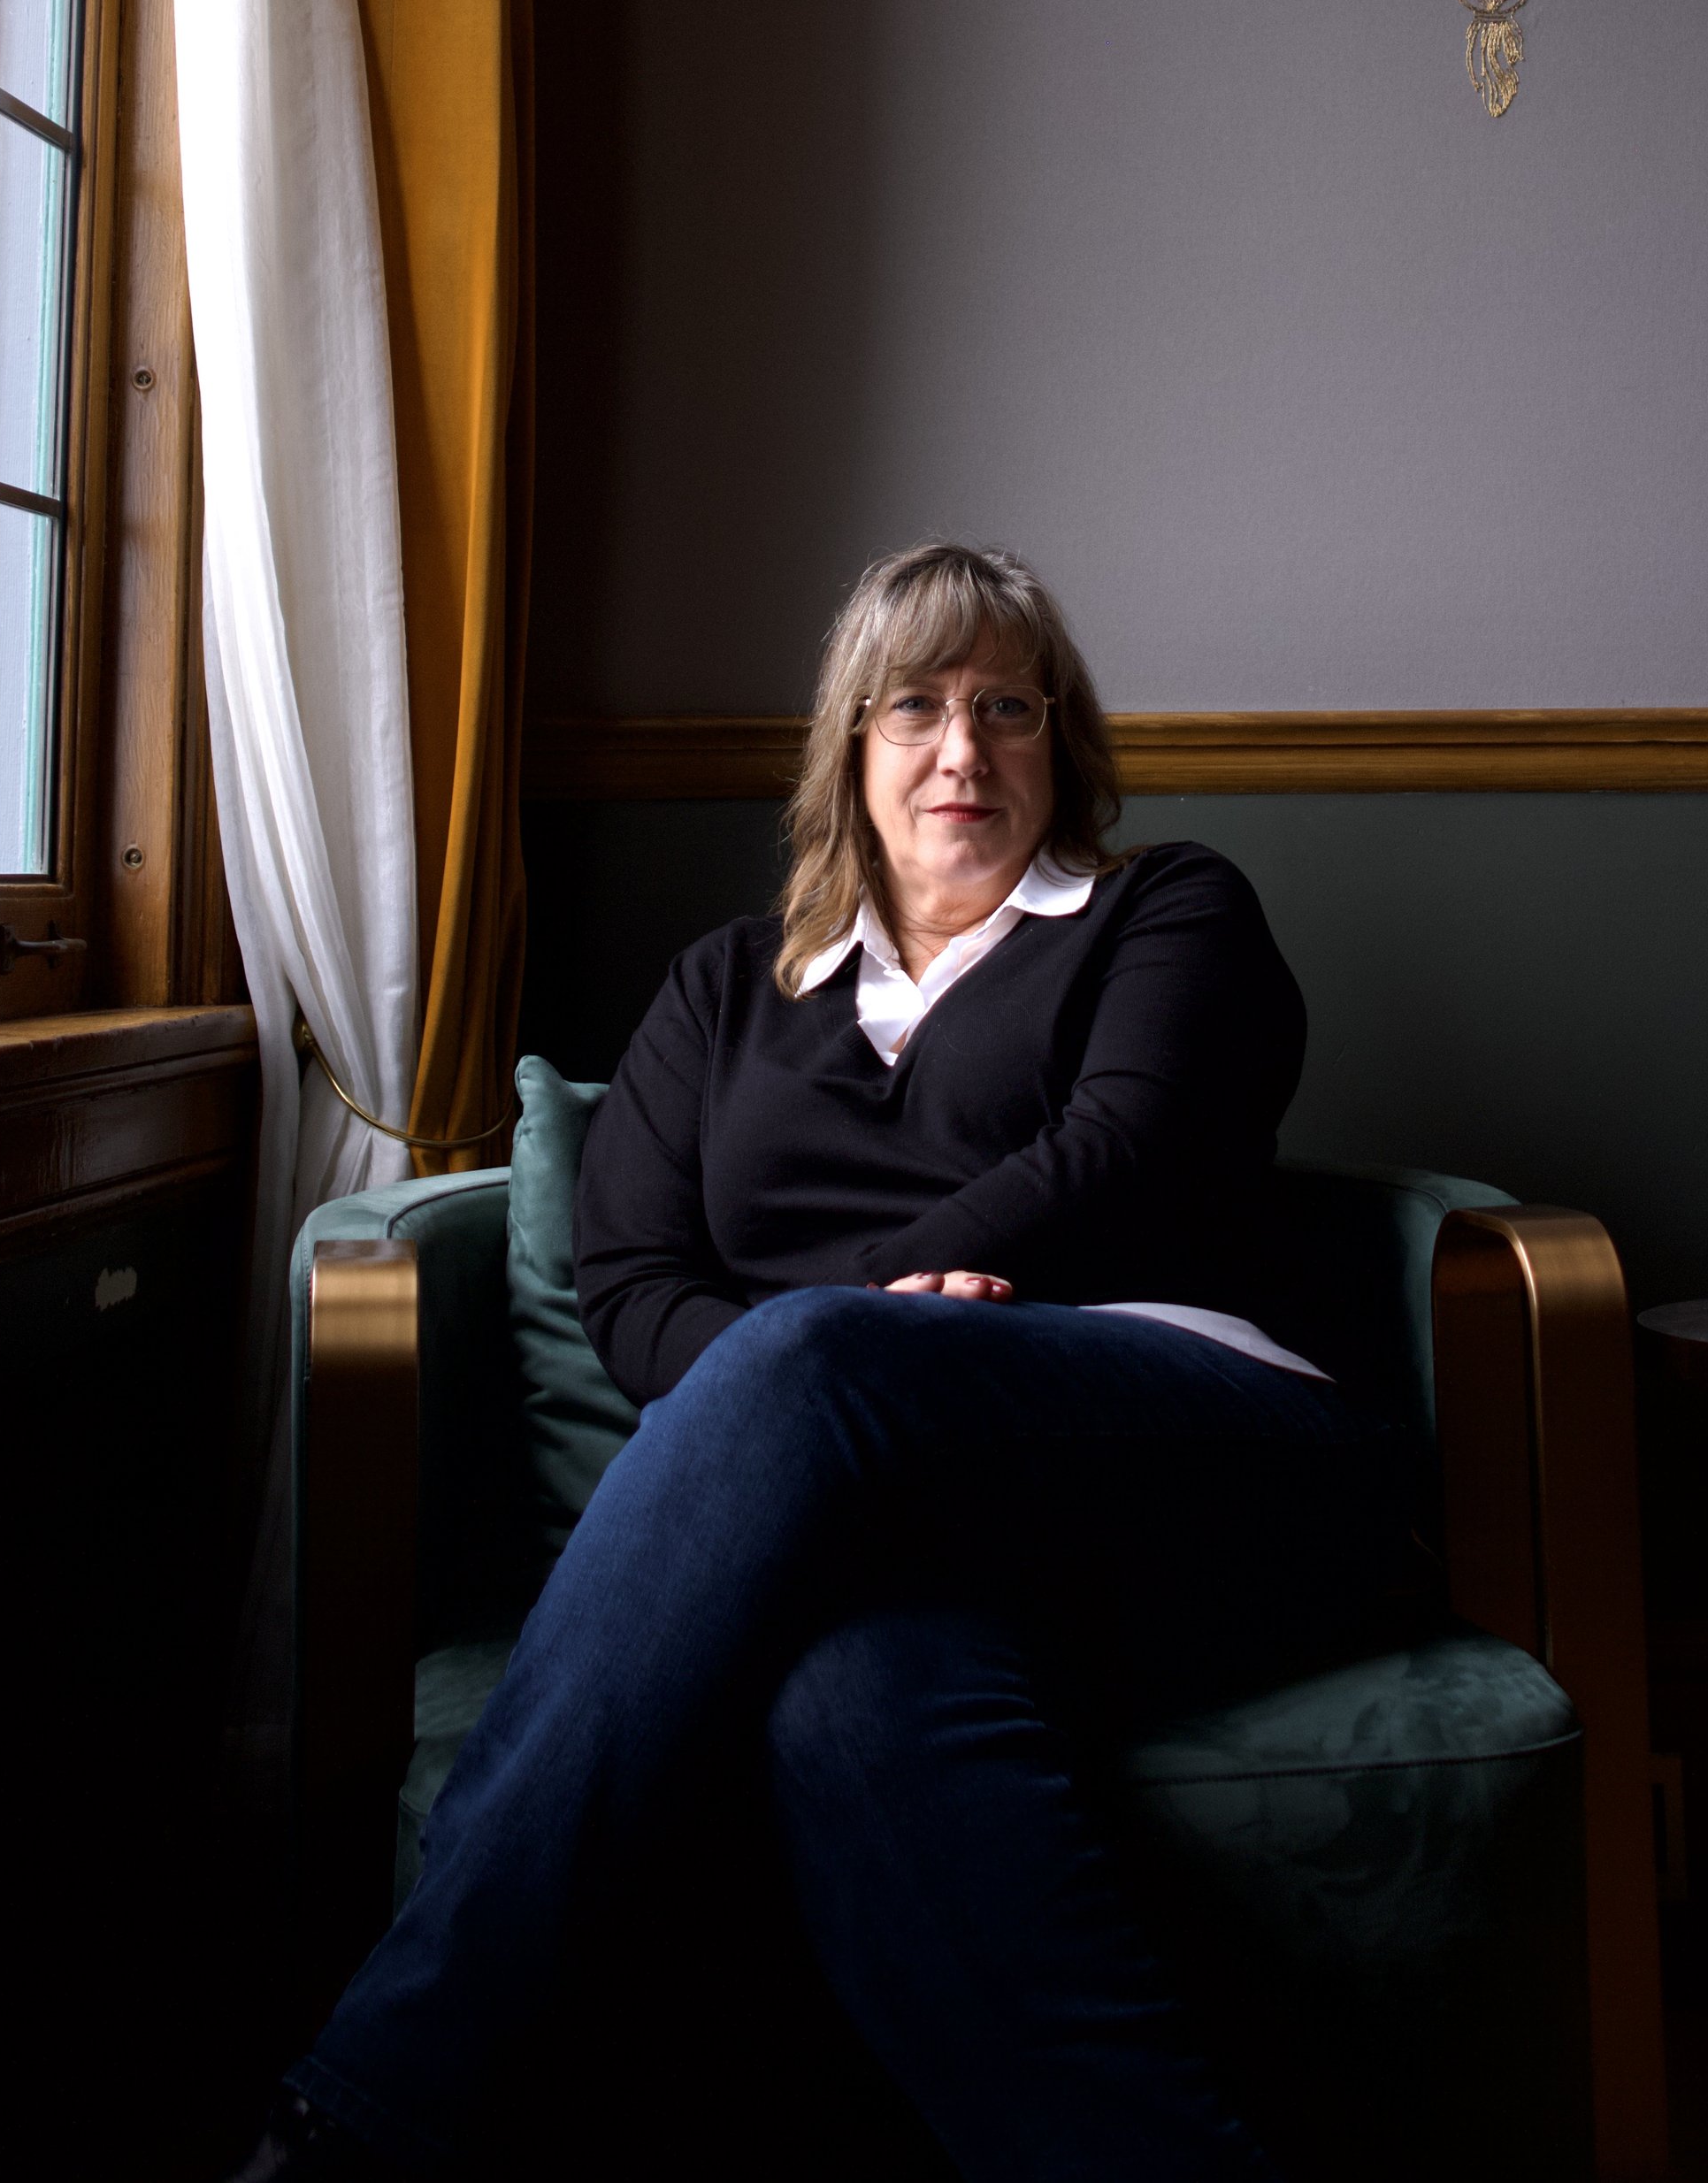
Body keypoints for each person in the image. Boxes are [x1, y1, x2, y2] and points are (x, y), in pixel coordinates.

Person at [236, 543, 1419, 2180]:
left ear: (1062, 742)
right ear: (848, 752)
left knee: (805, 1370)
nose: (964, 750)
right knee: (846, 1692)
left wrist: (840, 1334)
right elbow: (633, 1281)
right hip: (880, 1515)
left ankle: (361, 2112)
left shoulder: (1170, 908)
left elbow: (1124, 1149)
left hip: (1187, 1436)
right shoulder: (726, 988)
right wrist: (815, 1370)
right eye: (917, 708)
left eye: (1009, 707)